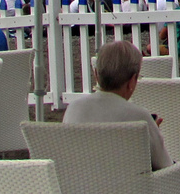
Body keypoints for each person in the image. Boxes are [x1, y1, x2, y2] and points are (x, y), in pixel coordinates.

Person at [63, 41, 171, 171]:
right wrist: (154, 133)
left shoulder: (74, 109)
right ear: (132, 81)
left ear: (96, 75)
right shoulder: (139, 116)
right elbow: (165, 166)